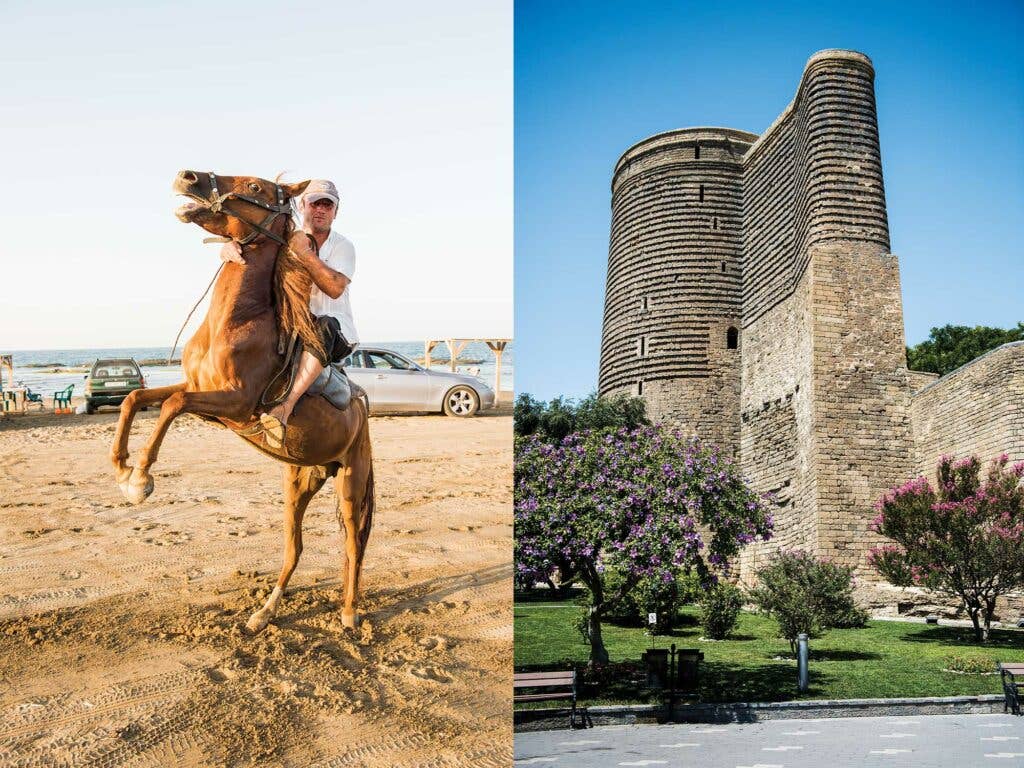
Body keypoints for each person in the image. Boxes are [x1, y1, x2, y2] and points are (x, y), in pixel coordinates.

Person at [220, 178, 358, 449]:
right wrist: (228, 246)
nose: (320, 210)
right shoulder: (283, 238)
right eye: (314, 203)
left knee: (325, 325)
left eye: (327, 205)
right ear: (302, 205)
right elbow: (252, 245)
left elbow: (334, 288)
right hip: (291, 328)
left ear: (335, 212)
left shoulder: (343, 247)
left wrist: (305, 254)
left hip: (332, 332)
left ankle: (285, 407)